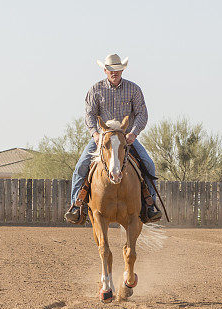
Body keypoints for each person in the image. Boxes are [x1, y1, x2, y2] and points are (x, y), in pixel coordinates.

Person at [64, 53, 161, 224]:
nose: (114, 72)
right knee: (81, 166)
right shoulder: (96, 89)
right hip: (102, 138)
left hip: (126, 138)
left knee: (148, 164)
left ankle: (150, 204)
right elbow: (90, 115)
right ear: (104, 70)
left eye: (117, 69)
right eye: (110, 69)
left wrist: (134, 133)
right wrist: (94, 133)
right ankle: (76, 205)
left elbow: (141, 114)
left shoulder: (134, 89)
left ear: (122, 69)